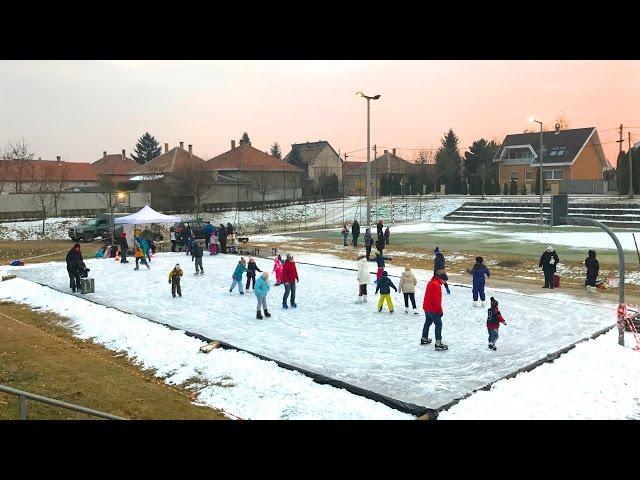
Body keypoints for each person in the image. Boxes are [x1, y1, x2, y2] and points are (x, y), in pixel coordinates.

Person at [421, 272, 449, 350]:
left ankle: (424, 338)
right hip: (432, 308)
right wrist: (440, 311)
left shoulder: (431, 282)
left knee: (428, 322)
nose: (445, 283)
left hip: (426, 306)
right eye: (445, 281)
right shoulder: (437, 285)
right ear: (441, 279)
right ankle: (438, 343)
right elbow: (436, 300)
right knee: (438, 324)